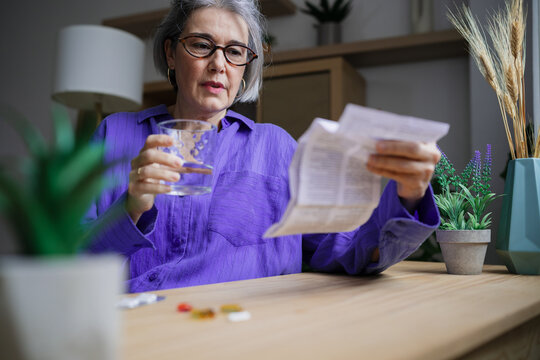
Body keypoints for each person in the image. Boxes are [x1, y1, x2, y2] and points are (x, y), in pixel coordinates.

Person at [86, 0, 441, 293]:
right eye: (200, 45)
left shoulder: (276, 147)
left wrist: (409, 195)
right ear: (171, 53)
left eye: (235, 52)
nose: (218, 65)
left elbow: (349, 250)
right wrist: (130, 208)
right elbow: (67, 263)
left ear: (245, 69)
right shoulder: (113, 135)